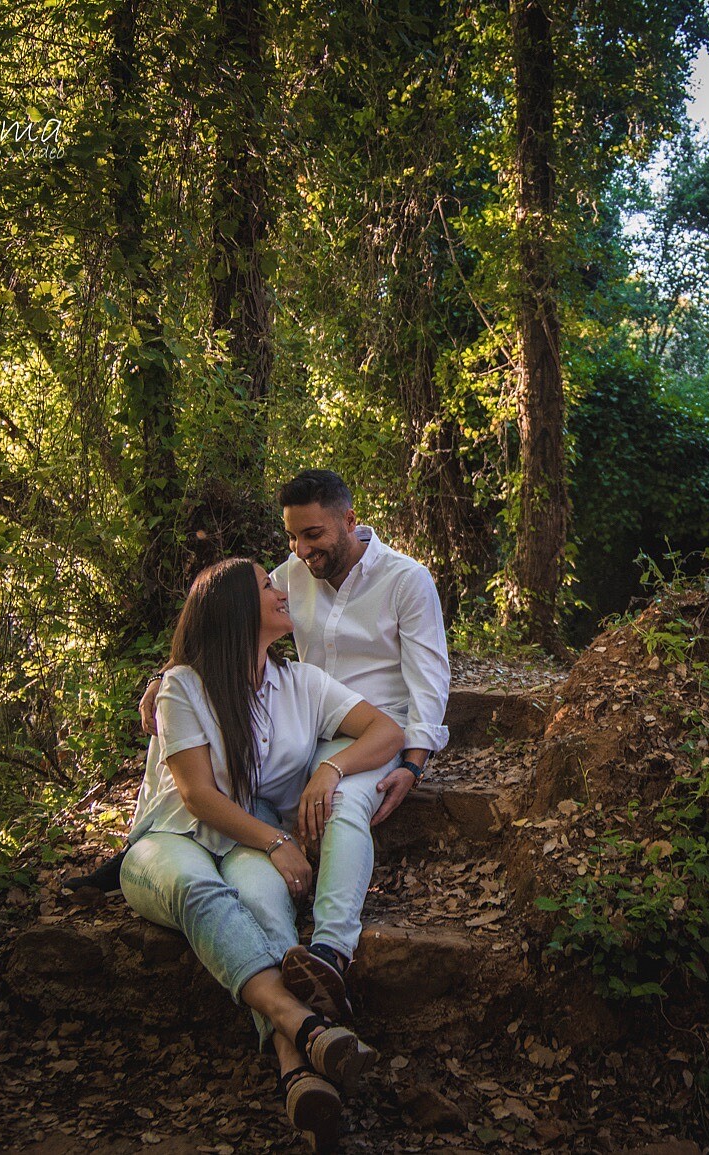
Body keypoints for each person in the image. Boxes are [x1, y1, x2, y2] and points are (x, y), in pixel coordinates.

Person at [68, 469, 451, 1019]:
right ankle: (149, 850)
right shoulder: (293, 573)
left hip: (370, 728)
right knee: (228, 772)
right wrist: (169, 675)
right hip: (301, 720)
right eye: (293, 537)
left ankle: (330, 950)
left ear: (349, 521)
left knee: (339, 801)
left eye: (313, 535)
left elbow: (430, 678)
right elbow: (223, 621)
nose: (301, 551)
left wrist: (412, 763)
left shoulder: (405, 580)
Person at [122, 557, 403, 1152]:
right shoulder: (183, 686)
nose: (281, 591)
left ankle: (297, 1073)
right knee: (202, 891)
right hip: (167, 842)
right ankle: (303, 1029)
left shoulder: (299, 683)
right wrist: (278, 840)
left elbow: (386, 731)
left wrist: (330, 767)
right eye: (267, 586)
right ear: (235, 610)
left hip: (244, 840)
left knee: (262, 903)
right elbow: (197, 795)